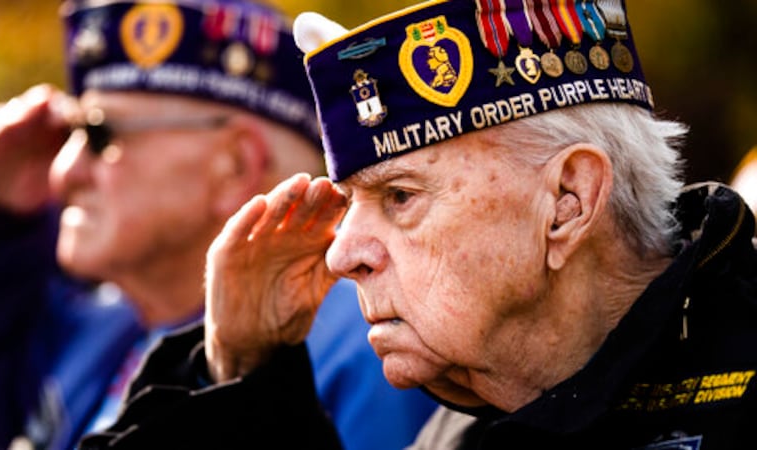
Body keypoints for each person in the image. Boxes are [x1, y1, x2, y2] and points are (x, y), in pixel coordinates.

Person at [77, 0, 757, 448]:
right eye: (348, 204)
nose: (342, 254)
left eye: (400, 196)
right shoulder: (462, 417)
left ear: (568, 201)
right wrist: (242, 375)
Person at [0, 1, 437, 449]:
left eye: (99, 134)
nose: (63, 174)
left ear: (233, 165)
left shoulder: (372, 351)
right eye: (68, 134)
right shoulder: (105, 326)